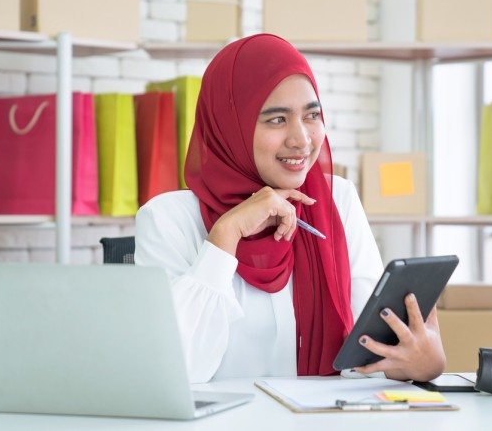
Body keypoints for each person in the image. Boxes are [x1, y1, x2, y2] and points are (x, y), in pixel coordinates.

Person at [135, 33, 445, 383]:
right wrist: (225, 235)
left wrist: (420, 363)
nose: (302, 139)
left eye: (312, 115)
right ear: (228, 125)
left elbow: (371, 349)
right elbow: (172, 371)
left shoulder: (336, 200)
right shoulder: (168, 219)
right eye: (277, 119)